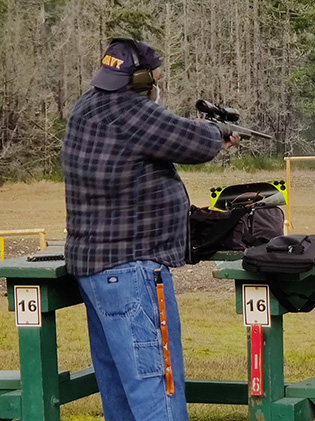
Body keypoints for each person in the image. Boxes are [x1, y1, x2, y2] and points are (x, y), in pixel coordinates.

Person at [61, 38, 238, 420]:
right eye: (156, 77)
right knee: (157, 391)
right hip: (132, 272)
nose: (158, 84)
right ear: (141, 78)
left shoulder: (85, 108)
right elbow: (194, 143)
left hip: (95, 273)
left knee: (121, 395)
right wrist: (218, 133)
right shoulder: (132, 111)